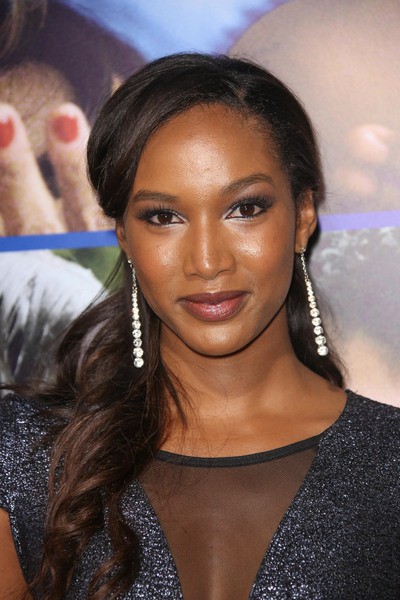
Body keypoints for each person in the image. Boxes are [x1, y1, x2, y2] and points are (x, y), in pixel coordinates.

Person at [0, 53, 399, 600]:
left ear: (304, 215)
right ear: (123, 235)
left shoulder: (390, 463)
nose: (207, 261)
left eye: (245, 208)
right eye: (163, 216)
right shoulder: (24, 456)